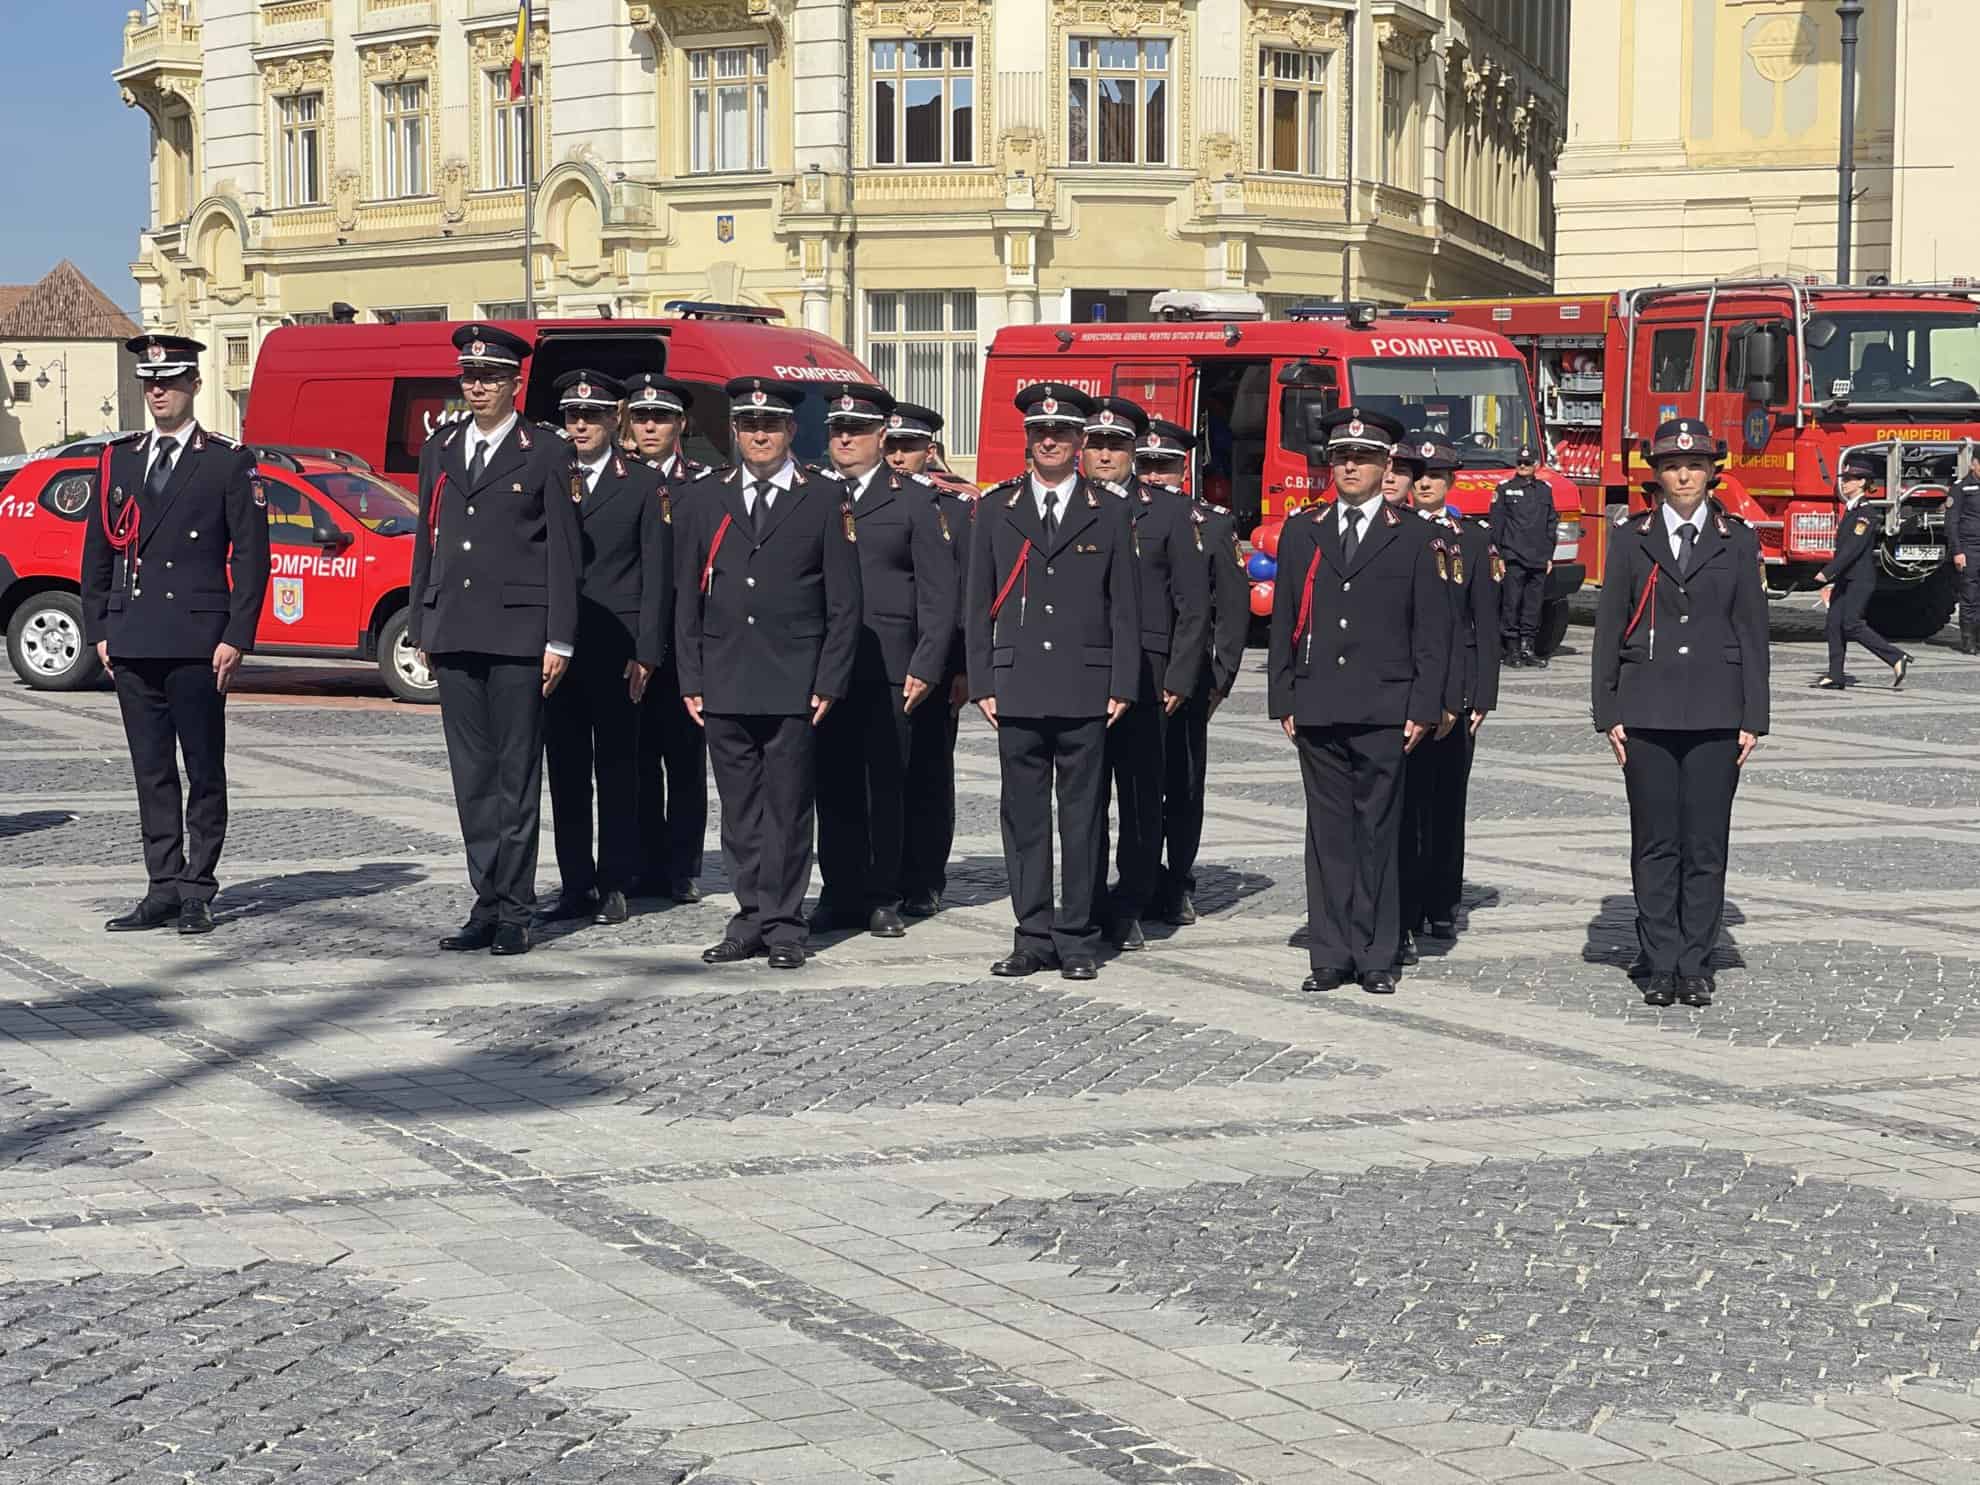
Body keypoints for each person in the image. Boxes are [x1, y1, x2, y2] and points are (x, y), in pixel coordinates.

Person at [80, 333, 270, 935]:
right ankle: (162, 884)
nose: (158, 390)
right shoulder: (121, 459)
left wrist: (236, 635)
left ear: (194, 385)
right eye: (149, 382)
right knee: (151, 770)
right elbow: (99, 554)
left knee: (204, 769)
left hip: (196, 638)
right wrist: (100, 629)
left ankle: (197, 888)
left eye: (171, 381)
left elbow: (251, 558)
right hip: (134, 639)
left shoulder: (225, 460)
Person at [675, 378, 862, 969]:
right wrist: (691, 676)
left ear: (789, 432)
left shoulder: (823, 498)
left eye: (772, 426)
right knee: (739, 811)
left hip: (794, 678)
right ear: (735, 432)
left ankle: (784, 923)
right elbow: (686, 598)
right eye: (750, 426)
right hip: (725, 674)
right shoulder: (705, 499)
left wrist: (830, 679)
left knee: (787, 806)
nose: (760, 435)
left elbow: (844, 601)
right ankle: (749, 915)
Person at [412, 324, 581, 956]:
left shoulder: (545, 451)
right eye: (468, 377)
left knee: (516, 777)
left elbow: (565, 554)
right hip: (454, 627)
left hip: (518, 633)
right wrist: (424, 616)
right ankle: (486, 900)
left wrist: (558, 638)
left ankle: (516, 908)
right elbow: (427, 536)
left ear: (515, 384)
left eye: (488, 378)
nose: (476, 386)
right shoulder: (444, 446)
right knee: (472, 779)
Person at [1267, 407, 1446, 996]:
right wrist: (1284, 696)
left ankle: (1376, 953)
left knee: (1379, 832)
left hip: (1386, 706)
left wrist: (1422, 706)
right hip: (1318, 703)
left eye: (1363, 458)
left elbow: (1431, 631)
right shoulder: (1303, 531)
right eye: (1341, 456)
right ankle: (1330, 952)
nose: (1350, 466)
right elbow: (1287, 618)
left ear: (1386, 465)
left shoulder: (1415, 535)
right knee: (1328, 833)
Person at [1592, 418, 1770, 1009]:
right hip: (1646, 706)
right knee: (1655, 841)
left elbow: (1752, 631)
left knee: (1705, 844)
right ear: (1658, 474)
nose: (1684, 474)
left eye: (1693, 465)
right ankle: (1659, 958)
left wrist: (1754, 715)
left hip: (1718, 708)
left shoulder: (1737, 540)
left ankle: (1695, 961)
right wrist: (1607, 710)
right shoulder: (1631, 537)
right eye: (1671, 466)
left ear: (1712, 471)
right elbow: (1609, 626)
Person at [966, 384, 1137, 980]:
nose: (1050, 443)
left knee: (1085, 815)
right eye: (1041, 434)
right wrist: (982, 679)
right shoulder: (996, 509)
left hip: (1086, 685)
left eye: (1062, 434)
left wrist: (1123, 682)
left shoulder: (1110, 510)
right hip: (1016, 684)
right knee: (1023, 817)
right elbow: (975, 602)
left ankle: (1079, 936)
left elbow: (1125, 607)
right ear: (1029, 441)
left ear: (1078, 441)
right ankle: (1031, 934)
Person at [812, 385, 960, 937]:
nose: (845, 439)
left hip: (892, 666)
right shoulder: (814, 493)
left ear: (881, 436)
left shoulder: (913, 501)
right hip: (827, 663)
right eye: (836, 431)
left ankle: (882, 893)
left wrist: (926, 664)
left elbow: (938, 594)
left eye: (856, 431)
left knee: (886, 784)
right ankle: (838, 890)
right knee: (832, 784)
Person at [541, 371, 672, 928]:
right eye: (572, 416)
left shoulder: (641, 483)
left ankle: (616, 881)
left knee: (618, 770)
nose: (580, 425)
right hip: (557, 649)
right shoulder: (546, 474)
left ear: (613, 420)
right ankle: (575, 883)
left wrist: (647, 652)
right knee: (566, 771)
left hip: (617, 647)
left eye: (592, 417)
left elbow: (656, 572)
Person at [1079, 397, 1210, 949]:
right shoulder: (1068, 504)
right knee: (1085, 800)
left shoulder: (1169, 512)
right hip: (1082, 671)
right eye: (1097, 444)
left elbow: (1193, 604)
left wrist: (1179, 677)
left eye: (1117, 445)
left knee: (1139, 799)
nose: (1106, 454)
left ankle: (1130, 901)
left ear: (1133, 451)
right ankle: (1085, 899)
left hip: (1150, 678)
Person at [1138, 420, 1248, 926]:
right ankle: (1135, 876)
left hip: (1191, 679)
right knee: (1136, 784)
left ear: (1185, 467)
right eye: (1148, 465)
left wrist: (1220, 678)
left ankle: (1179, 877)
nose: (1156, 475)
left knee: (1182, 787)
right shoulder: (1125, 515)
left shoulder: (1212, 523)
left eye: (1166, 466)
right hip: (1136, 673)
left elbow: (1231, 608)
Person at [1395, 433, 1500, 963]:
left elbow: (1483, 621)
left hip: (1457, 688)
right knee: (1407, 804)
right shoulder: (1398, 533)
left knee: (1446, 803)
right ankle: (1407, 907)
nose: (1426, 484)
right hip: (1411, 688)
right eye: (1418, 476)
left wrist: (1482, 693)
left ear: (1450, 482)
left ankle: (1443, 899)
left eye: (1435, 477)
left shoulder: (1473, 540)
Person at [624, 372, 715, 901]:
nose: (650, 426)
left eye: (660, 417)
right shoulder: (617, 477)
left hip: (686, 643)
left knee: (683, 761)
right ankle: (639, 861)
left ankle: (681, 866)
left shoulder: (701, 484)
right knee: (634, 759)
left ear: (680, 424)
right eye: (640, 416)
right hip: (633, 639)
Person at [883, 402, 976, 918]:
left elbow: (966, 595)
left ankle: (924, 877)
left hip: (937, 664)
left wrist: (961, 666)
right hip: (882, 660)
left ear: (930, 451)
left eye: (909, 447)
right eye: (892, 446)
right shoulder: (861, 502)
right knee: (878, 774)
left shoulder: (955, 508)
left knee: (928, 774)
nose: (899, 457)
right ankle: (883, 872)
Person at [1814, 454, 1912, 689]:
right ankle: (1835, 674)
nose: (1845, 482)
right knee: (1833, 623)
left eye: (1850, 479)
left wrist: (1827, 573)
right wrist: (1833, 580)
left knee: (1851, 623)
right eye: (1844, 478)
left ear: (1862, 483)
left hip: (1860, 578)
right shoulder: (1850, 510)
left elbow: (1852, 549)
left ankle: (1895, 656)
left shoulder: (1866, 513)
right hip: (1846, 578)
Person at [1489, 445, 1556, 669]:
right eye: (1520, 462)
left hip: (1538, 557)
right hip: (1513, 556)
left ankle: (1528, 647)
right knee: (1511, 604)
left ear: (1536, 465)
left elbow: (1550, 523)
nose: (1523, 466)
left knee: (1533, 606)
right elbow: (1496, 525)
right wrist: (1497, 555)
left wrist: (1549, 555)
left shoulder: (1545, 490)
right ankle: (1512, 650)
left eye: (1527, 463)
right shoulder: (1505, 489)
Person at [1946, 450, 1980, 655]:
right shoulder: (1961, 488)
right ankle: (1969, 640)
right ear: (1974, 464)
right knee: (1970, 595)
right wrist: (1957, 551)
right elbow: (1951, 522)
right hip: (1969, 548)